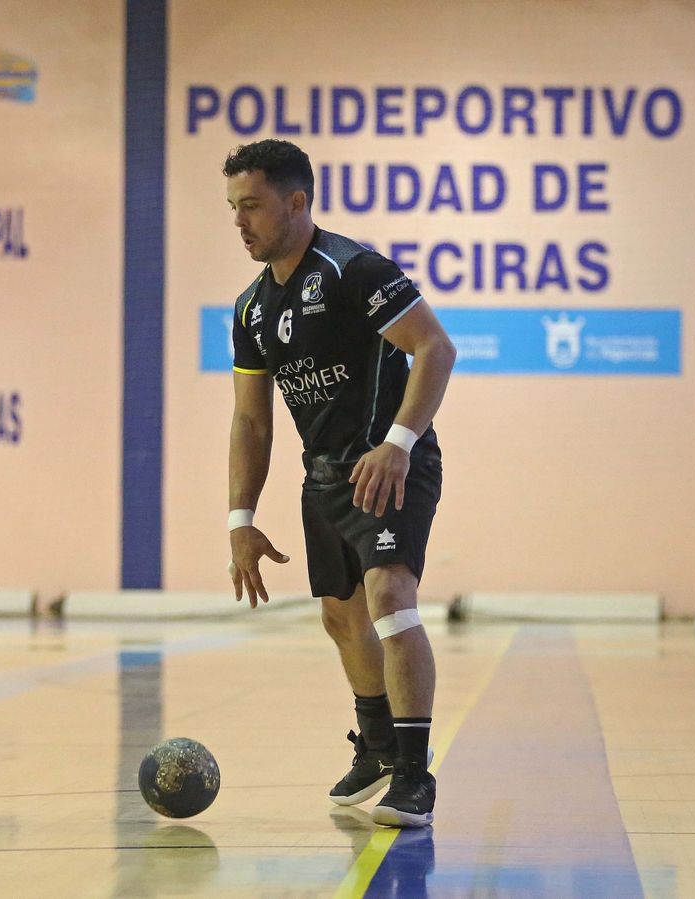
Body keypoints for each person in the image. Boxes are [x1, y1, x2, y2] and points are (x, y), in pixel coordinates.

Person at [222, 140, 457, 828]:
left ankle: (414, 774)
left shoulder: (355, 270)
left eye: (254, 206)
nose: (241, 222)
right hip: (321, 477)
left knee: (390, 596)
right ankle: (377, 747)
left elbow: (435, 348)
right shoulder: (250, 309)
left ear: (297, 202)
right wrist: (240, 516)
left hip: (388, 467)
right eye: (233, 208)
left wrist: (398, 443)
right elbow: (250, 420)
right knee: (341, 617)